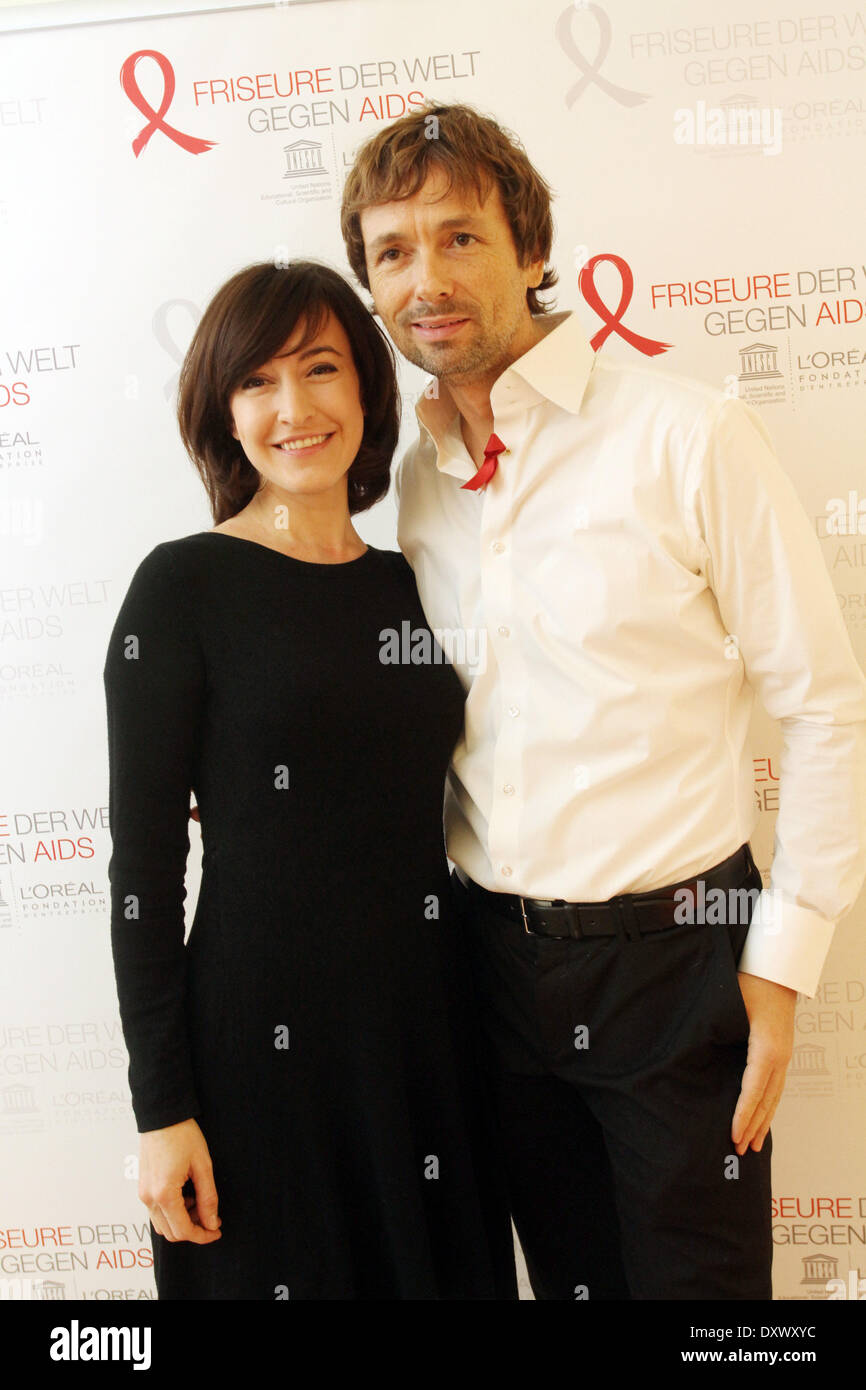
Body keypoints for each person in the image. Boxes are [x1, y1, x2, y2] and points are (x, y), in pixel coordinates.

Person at [339, 102, 866, 1299]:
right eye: (392, 251)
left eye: (457, 236)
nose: (427, 277)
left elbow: (825, 709)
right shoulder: (412, 478)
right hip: (489, 969)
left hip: (677, 967)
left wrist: (776, 970)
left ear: (529, 248)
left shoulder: (687, 436)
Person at [103, 258, 517, 1300]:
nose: (294, 407)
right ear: (222, 409)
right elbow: (145, 876)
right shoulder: (180, 588)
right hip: (256, 1069)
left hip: (429, 1049)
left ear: (366, 393)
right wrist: (162, 1109)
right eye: (258, 381)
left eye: (321, 369)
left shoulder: (409, 584)